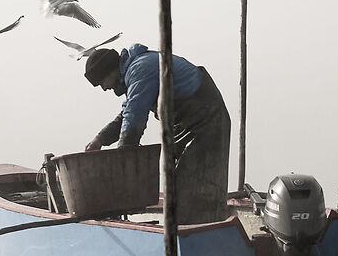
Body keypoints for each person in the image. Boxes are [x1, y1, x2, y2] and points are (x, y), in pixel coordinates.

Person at [82, 42, 231, 221]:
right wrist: (100, 139)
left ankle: (200, 230)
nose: (104, 88)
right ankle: (190, 227)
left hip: (206, 121)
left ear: (110, 71)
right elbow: (128, 113)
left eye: (101, 82)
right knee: (179, 182)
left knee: (194, 182)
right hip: (186, 125)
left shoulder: (140, 70)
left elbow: (134, 118)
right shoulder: (135, 73)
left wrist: (122, 162)